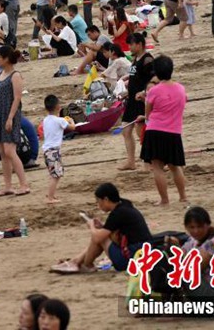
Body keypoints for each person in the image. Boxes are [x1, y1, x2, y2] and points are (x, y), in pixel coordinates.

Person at [50, 182, 152, 274]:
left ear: (106, 199)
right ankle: (76, 262)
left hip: (130, 259)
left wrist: (91, 226)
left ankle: (85, 264)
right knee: (101, 235)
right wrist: (101, 227)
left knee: (99, 238)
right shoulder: (125, 205)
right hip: (143, 254)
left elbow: (97, 238)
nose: (98, 205)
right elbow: (115, 231)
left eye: (98, 201)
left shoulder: (118, 213)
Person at [138, 55, 187, 206]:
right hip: (174, 131)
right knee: (175, 167)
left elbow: (148, 113)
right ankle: (183, 197)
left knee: (157, 167)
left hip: (155, 131)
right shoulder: (180, 88)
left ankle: (164, 199)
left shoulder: (154, 91)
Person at [0, 46, 29, 196]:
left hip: (9, 115)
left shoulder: (15, 75)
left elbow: (17, 98)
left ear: (6, 58)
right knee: (2, 153)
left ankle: (24, 184)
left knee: (10, 151)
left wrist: (10, 117)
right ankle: (8, 186)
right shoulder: (1, 73)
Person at [118, 33, 153, 170]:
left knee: (141, 133)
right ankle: (131, 161)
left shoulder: (148, 60)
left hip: (141, 101)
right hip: (131, 100)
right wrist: (127, 91)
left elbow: (153, 80)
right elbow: (134, 78)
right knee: (126, 130)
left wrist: (144, 93)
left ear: (139, 44)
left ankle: (150, 161)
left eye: (131, 44)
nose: (129, 47)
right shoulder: (135, 59)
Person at [42, 95, 75, 205]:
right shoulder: (59, 120)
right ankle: (50, 198)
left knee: (55, 174)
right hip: (53, 151)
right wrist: (71, 121)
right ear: (58, 107)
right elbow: (72, 128)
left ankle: (51, 194)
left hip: (47, 151)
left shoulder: (45, 120)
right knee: (56, 175)